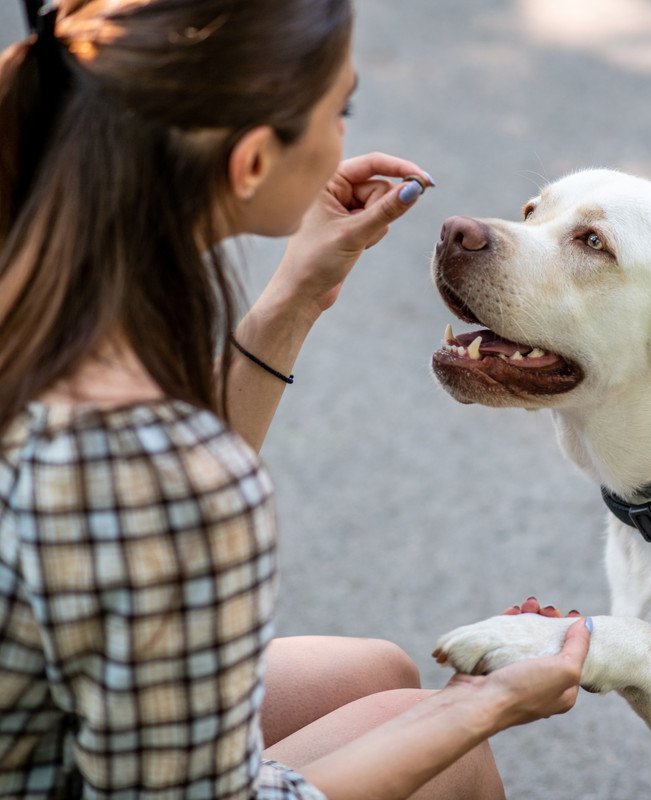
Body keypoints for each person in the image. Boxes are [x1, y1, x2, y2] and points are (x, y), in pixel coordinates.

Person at [0, 1, 591, 798]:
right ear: (249, 164)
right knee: (450, 758)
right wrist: (477, 710)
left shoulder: (39, 280)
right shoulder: (161, 468)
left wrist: (293, 300)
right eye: (338, 109)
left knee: (378, 672)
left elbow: (146, 529)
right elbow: (163, 507)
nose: (345, 135)